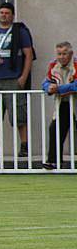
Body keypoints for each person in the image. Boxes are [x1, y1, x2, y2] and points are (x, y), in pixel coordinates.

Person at [0, 2, 33, 158]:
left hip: (13, 78)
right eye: (1, 12)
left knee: (19, 114)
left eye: (7, 13)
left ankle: (24, 146)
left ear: (12, 15)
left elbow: (28, 55)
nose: (4, 15)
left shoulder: (19, 32)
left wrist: (23, 77)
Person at [42, 42, 77, 170]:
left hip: (75, 102)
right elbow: (45, 83)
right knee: (55, 129)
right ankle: (53, 161)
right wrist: (49, 88)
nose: (61, 57)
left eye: (64, 53)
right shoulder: (54, 66)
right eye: (59, 54)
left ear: (71, 54)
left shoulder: (76, 65)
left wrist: (59, 89)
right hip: (64, 103)